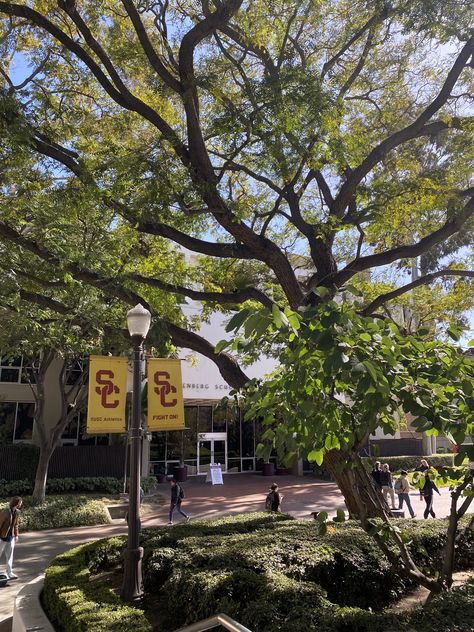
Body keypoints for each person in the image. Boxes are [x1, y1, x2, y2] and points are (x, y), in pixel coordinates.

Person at [0, 496, 23, 580]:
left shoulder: (17, 512)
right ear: (16, 503)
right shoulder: (5, 512)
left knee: (9, 556)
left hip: (10, 537)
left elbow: (16, 525)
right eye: (20, 502)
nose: (21, 504)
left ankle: (9, 572)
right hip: (2, 537)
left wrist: (16, 535)